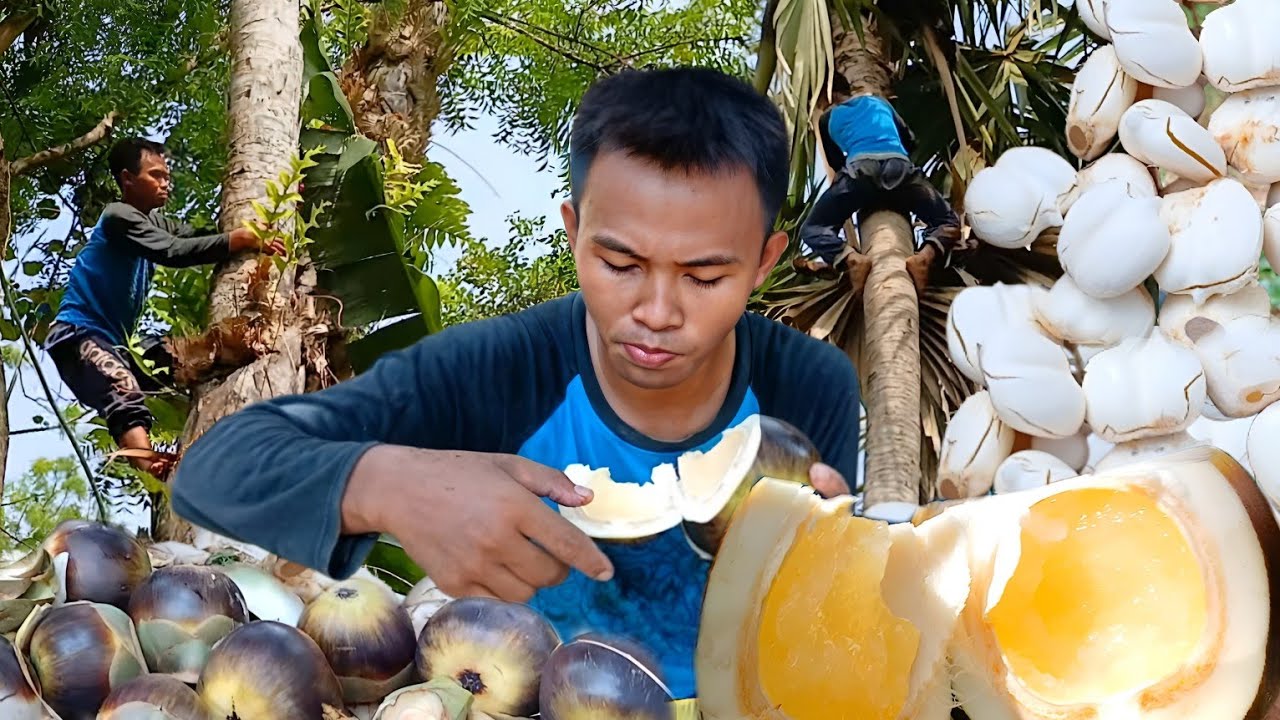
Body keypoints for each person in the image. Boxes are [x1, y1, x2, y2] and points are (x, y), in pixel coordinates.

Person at [169, 67, 861, 699]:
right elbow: (214, 468)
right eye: (619, 264)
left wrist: (831, 565)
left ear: (766, 261)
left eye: (705, 277)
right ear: (574, 231)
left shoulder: (809, 385)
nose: (656, 313)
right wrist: (390, 484)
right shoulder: (498, 369)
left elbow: (824, 626)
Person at [46, 138, 284, 479]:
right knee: (121, 385)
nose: (165, 182)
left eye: (166, 175)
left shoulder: (158, 222)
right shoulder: (118, 217)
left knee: (183, 357)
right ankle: (149, 465)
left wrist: (277, 206)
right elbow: (173, 252)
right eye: (155, 175)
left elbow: (197, 237)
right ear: (128, 179)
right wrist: (238, 240)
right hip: (77, 335)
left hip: (116, 347)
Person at [793, 76, 968, 292]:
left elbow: (836, 164)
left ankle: (848, 258)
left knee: (814, 228)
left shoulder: (827, 117)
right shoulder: (880, 103)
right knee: (947, 221)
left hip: (860, 172)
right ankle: (924, 257)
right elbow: (910, 140)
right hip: (900, 169)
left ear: (826, 96)